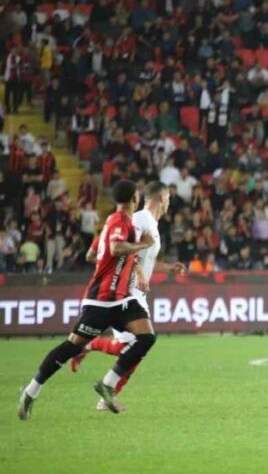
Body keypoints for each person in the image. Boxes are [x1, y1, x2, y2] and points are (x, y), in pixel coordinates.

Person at [18, 180, 156, 420]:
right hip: (101, 301)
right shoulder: (119, 221)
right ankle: (30, 392)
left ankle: (107, 384)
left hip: (121, 300)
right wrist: (141, 245)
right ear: (135, 199)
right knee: (71, 347)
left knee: (146, 338)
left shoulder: (116, 224)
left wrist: (114, 268)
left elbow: (92, 253)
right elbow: (114, 248)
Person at [70, 181, 184, 410]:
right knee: (137, 345)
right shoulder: (141, 219)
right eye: (169, 198)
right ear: (162, 198)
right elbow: (123, 250)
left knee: (134, 349)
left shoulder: (153, 225)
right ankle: (104, 388)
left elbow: (145, 259)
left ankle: (104, 389)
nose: (170, 202)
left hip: (136, 292)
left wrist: (168, 268)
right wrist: (140, 272)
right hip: (125, 290)